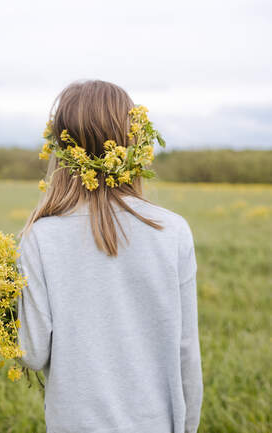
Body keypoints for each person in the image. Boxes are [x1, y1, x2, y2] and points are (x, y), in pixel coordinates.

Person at [17, 80, 203, 433]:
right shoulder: (173, 231)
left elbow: (33, 353)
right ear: (134, 142)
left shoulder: (40, 238)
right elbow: (186, 351)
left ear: (61, 149)